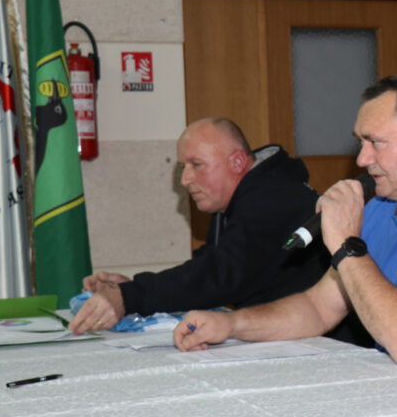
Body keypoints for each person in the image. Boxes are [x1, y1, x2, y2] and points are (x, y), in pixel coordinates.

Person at [173, 75, 397, 365]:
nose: (362, 159)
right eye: (360, 142)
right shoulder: (381, 205)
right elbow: (318, 309)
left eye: (376, 142)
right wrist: (231, 324)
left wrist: (347, 246)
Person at [69, 117, 330, 334]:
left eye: (197, 165)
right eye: (184, 166)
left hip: (322, 344)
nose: (185, 179)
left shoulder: (272, 199)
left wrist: (130, 296)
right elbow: (205, 272)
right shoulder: (236, 197)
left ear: (237, 162)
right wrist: (130, 288)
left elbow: (218, 275)